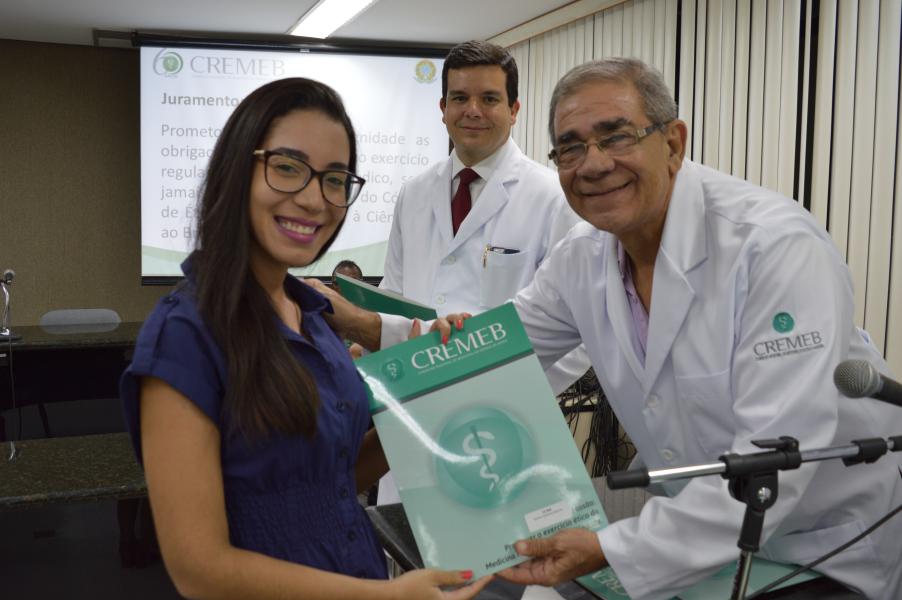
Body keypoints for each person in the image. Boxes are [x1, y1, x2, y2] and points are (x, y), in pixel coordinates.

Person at [324, 58, 902, 599]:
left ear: (673, 142)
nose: (594, 164)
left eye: (617, 136)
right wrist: (364, 326)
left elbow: (775, 462)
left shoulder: (772, 247)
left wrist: (609, 547)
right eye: (570, 148)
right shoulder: (585, 256)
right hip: (697, 537)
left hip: (826, 543)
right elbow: (495, 344)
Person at [119, 78, 490, 600]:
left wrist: (427, 392)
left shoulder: (313, 316)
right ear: (238, 169)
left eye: (335, 179)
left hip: (357, 572)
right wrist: (385, 598)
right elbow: (198, 568)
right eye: (288, 168)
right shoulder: (185, 335)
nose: (315, 200)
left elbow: (331, 478)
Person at [376, 39, 592, 504]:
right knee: (405, 538)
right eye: (460, 98)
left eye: (489, 98)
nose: (472, 110)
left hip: (510, 421)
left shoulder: (553, 198)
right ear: (442, 108)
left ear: (514, 110)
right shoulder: (414, 194)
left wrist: (501, 387)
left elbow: (579, 332)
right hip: (414, 408)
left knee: (505, 543)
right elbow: (394, 297)